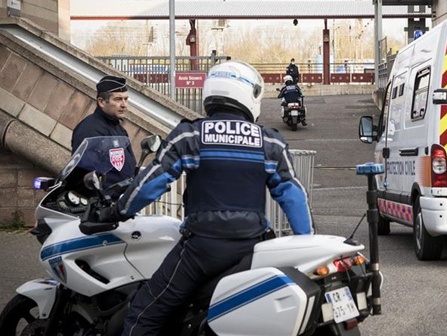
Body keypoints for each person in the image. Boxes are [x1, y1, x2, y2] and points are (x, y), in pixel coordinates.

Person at [96, 60, 313, 336]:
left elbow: (152, 182)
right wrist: (306, 241)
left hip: (201, 250)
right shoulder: (269, 142)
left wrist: (117, 211)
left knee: (144, 314)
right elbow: (292, 195)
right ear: (248, 95)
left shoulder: (190, 135)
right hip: (251, 246)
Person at [71, 75, 136, 192]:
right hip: (103, 204)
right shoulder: (89, 130)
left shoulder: (119, 129)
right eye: (118, 99)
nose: (124, 105)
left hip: (120, 202)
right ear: (101, 102)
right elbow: (85, 176)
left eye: (126, 99)